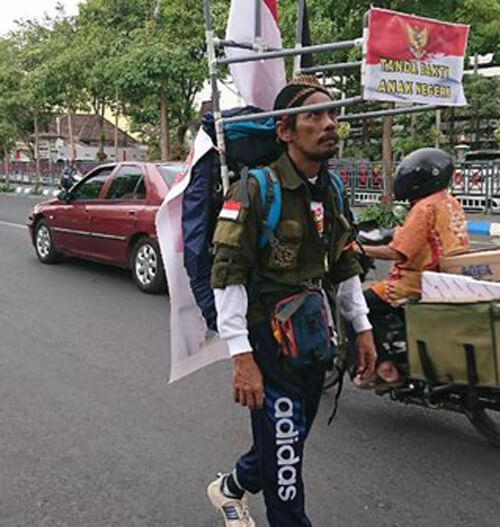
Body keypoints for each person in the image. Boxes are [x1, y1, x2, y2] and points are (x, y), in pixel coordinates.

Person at [206, 76, 377, 527]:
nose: (329, 124)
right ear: (285, 130)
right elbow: (227, 276)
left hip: (314, 338)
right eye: (314, 115)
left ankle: (231, 487)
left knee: (288, 440)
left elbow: (343, 264)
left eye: (333, 114)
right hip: (269, 342)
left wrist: (362, 329)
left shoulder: (334, 190)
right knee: (285, 458)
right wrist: (241, 355)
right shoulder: (256, 191)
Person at [354, 148, 469, 385]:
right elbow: (426, 236)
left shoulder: (423, 208)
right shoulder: (449, 202)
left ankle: (385, 367)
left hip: (416, 284)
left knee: (359, 304)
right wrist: (391, 233)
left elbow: (397, 251)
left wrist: (359, 249)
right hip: (448, 280)